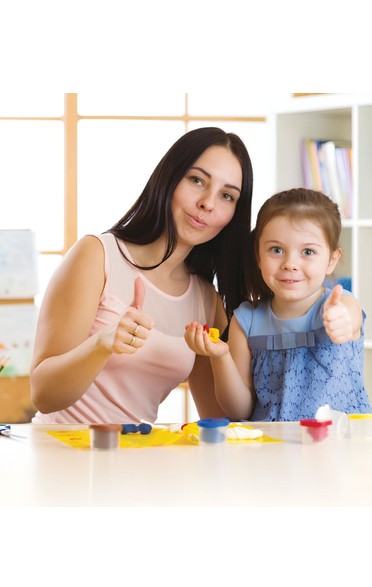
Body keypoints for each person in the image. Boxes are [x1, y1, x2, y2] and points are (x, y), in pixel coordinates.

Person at [30, 127, 253, 424]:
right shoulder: (97, 255)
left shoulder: (205, 301)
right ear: (169, 178)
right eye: (197, 180)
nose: (208, 203)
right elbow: (43, 395)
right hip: (64, 457)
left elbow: (218, 419)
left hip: (139, 461)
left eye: (227, 196)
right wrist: (103, 343)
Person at [185, 188, 372, 421]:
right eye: (276, 250)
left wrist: (343, 321)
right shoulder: (246, 321)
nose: (290, 263)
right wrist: (220, 357)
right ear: (258, 256)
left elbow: (350, 318)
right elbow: (239, 411)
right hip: (273, 450)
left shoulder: (340, 304)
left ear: (332, 260)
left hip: (341, 448)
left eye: (308, 251)